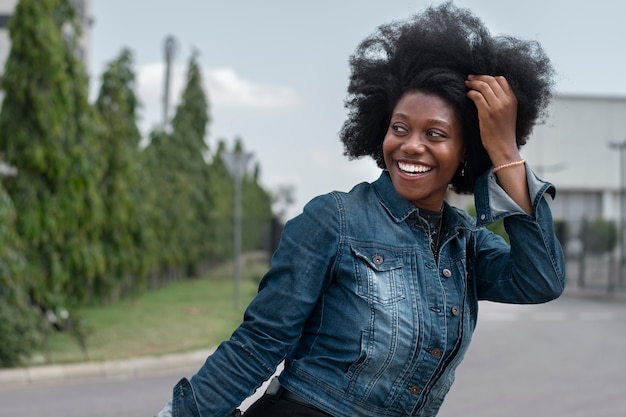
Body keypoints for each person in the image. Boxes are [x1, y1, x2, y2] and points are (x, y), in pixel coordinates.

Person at [156, 3, 565, 416]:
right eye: (399, 127)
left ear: (466, 152)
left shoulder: (464, 246)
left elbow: (541, 280)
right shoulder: (334, 219)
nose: (411, 145)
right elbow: (258, 342)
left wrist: (505, 151)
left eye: (435, 133)